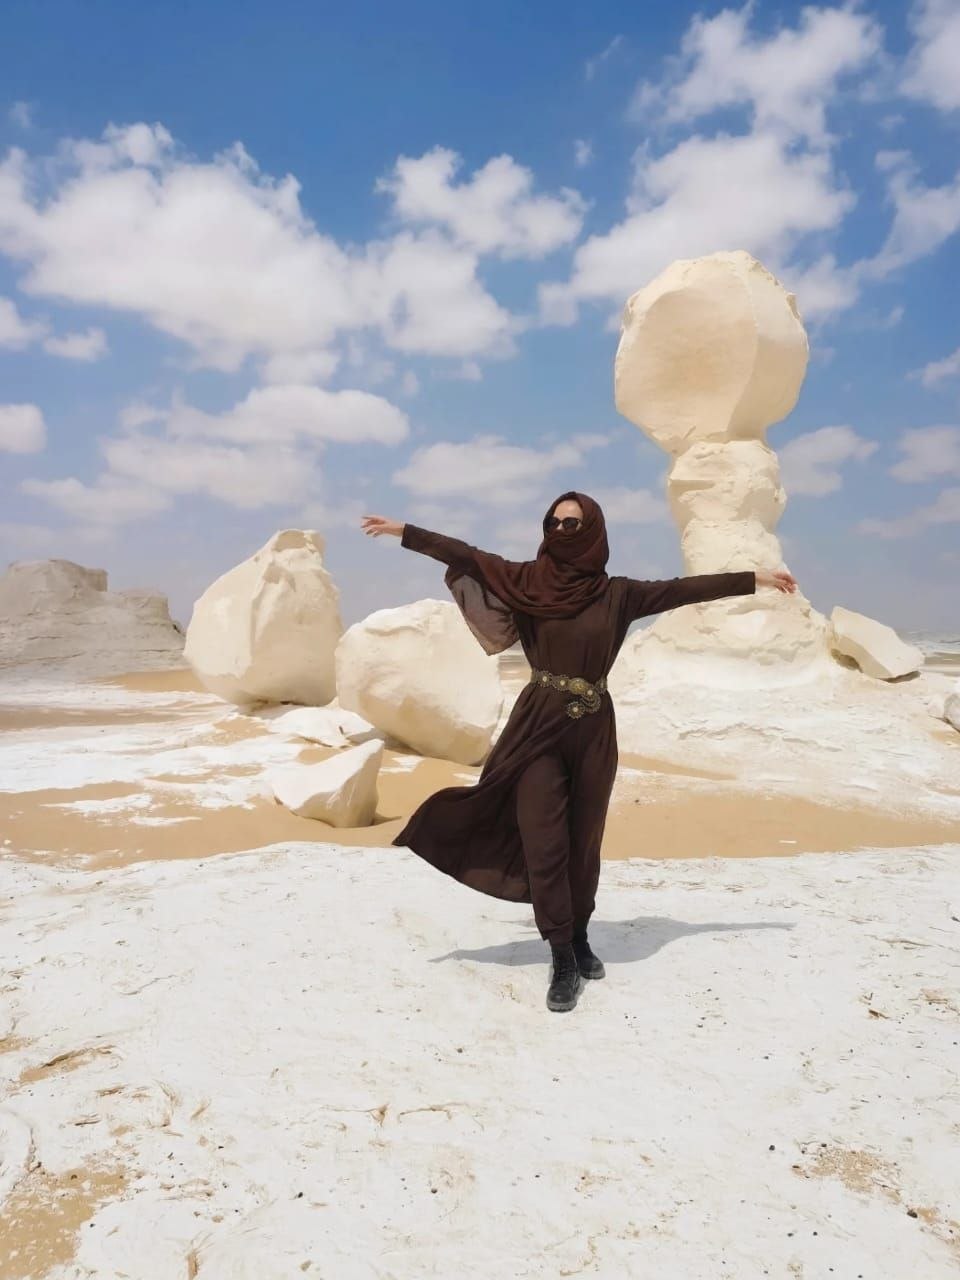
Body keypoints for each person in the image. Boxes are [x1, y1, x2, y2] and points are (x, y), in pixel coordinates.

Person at [360, 491, 797, 1012]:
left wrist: (756, 578)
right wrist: (403, 531)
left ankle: (581, 933)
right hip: (537, 725)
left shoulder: (618, 594)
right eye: (554, 522)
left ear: (592, 531)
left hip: (593, 728)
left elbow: (684, 590)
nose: (562, 530)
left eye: (573, 523)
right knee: (544, 839)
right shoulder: (524, 581)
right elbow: (466, 555)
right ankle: (562, 953)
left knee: (583, 840)